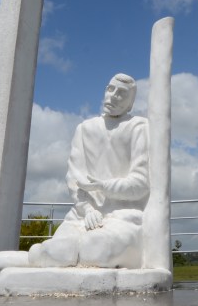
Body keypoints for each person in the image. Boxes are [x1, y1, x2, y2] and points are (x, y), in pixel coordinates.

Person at [29, 74, 149, 268]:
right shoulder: (84, 129)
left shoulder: (139, 127)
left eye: (122, 93)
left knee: (96, 250)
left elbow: (141, 182)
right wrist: (87, 210)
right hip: (81, 216)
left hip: (123, 215)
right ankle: (42, 253)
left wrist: (104, 186)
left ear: (130, 104)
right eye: (110, 89)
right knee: (57, 251)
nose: (113, 96)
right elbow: (75, 177)